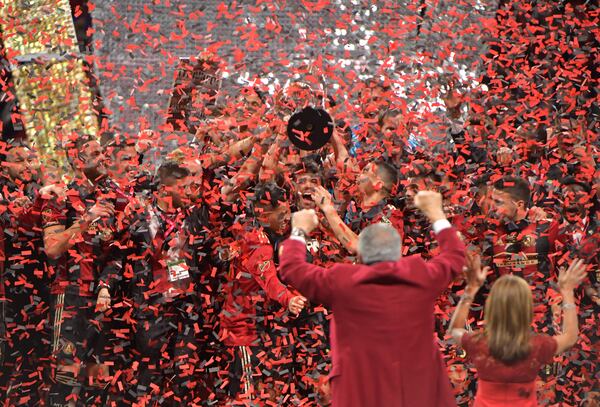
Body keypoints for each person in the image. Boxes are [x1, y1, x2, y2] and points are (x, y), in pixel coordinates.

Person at [279, 190, 465, 406]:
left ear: (360, 255)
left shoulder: (342, 281)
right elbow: (454, 256)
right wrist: (436, 213)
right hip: (418, 394)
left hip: (360, 393)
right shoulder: (421, 275)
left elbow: (292, 268)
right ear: (397, 253)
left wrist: (299, 230)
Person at [448, 255, 588, 407]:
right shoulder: (538, 346)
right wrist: (567, 292)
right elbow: (570, 337)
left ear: (492, 307)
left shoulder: (478, 343)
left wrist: (471, 289)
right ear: (527, 309)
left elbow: (455, 329)